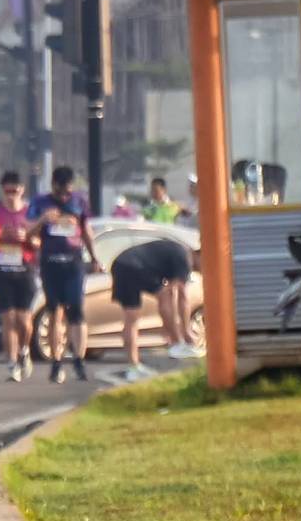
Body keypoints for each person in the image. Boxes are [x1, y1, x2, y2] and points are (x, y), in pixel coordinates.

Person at [34, 163, 98, 383]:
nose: (63, 196)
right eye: (59, 192)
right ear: (53, 186)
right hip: (50, 264)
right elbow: (28, 232)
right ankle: (56, 361)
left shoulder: (79, 201)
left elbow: (86, 230)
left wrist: (94, 257)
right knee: (54, 312)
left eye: (67, 192)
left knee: (77, 311)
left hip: (73, 264)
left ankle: (79, 359)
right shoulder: (41, 202)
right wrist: (43, 220)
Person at [110, 234, 195, 370]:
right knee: (165, 296)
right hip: (136, 266)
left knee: (131, 318)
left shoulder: (172, 251)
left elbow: (174, 292)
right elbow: (182, 297)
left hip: (120, 263)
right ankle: (177, 344)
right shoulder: (184, 257)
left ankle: (134, 366)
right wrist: (186, 332)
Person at [0, 171, 38, 381]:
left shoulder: (30, 212)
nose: (11, 195)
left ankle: (24, 350)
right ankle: (11, 363)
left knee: (23, 320)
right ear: (3, 190)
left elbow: (39, 241)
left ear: (22, 190)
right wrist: (1, 235)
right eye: (7, 191)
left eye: (15, 190)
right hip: (2, 268)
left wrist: (26, 237)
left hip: (24, 268)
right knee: (8, 318)